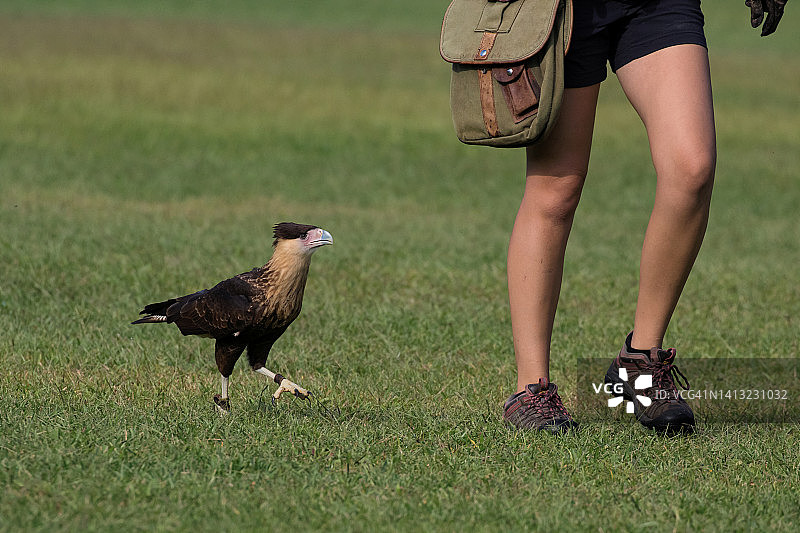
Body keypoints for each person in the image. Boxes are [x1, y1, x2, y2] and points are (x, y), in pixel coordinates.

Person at [501, 0, 789, 434]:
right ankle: (531, 390)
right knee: (556, 189)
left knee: (691, 169)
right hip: (565, 11)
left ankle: (640, 361)